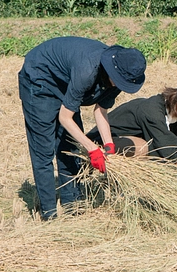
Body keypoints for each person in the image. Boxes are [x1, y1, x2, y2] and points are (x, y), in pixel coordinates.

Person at [19, 37, 147, 220]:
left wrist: (108, 145)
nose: (120, 86)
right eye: (119, 81)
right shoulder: (87, 71)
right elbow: (65, 117)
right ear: (112, 70)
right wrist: (92, 148)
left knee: (70, 147)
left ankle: (73, 207)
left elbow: (101, 109)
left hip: (65, 82)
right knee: (44, 150)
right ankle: (49, 214)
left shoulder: (121, 78)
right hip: (40, 77)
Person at [85, 82, 177, 181]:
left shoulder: (174, 113)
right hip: (103, 141)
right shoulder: (152, 111)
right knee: (145, 148)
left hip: (125, 139)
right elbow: (167, 150)